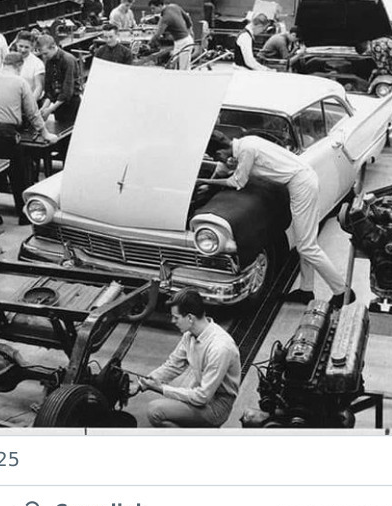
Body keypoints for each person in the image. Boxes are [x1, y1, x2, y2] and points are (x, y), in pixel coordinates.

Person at [216, 135, 352, 308]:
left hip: (301, 185)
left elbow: (237, 182)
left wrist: (205, 180)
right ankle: (306, 290)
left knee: (307, 247)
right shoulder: (247, 141)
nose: (219, 160)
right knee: (307, 242)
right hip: (302, 180)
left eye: (217, 156)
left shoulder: (246, 150)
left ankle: (342, 291)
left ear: (221, 150)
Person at [0, 52, 57, 228]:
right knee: (18, 174)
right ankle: (24, 216)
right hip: (4, 134)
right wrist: (46, 133)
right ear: (19, 66)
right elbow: (33, 112)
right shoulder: (20, 82)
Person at [139, 290, 241, 428]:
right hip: (203, 391)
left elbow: (202, 397)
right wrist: (142, 384)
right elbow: (173, 365)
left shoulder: (220, 348)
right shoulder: (189, 335)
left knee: (155, 410)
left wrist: (161, 388)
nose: (172, 321)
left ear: (190, 318)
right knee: (178, 394)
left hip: (217, 405)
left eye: (176, 317)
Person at [36, 34, 84, 125]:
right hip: (58, 104)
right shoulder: (49, 60)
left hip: (71, 104)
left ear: (53, 47)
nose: (44, 57)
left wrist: (50, 109)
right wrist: (43, 108)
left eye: (45, 53)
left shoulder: (68, 60)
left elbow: (67, 91)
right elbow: (49, 88)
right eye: (42, 54)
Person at [147, 0, 195, 70]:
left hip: (183, 43)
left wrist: (149, 44)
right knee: (175, 66)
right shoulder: (174, 6)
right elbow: (187, 18)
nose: (152, 11)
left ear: (160, 6)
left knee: (183, 69)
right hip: (184, 40)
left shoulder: (166, 18)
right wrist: (190, 31)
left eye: (153, 8)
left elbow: (158, 34)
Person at [15, 31, 45, 102]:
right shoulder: (10, 60)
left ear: (32, 47)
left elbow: (39, 87)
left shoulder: (37, 64)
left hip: (31, 101)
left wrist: (30, 104)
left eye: (26, 47)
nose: (23, 50)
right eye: (21, 46)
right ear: (16, 44)